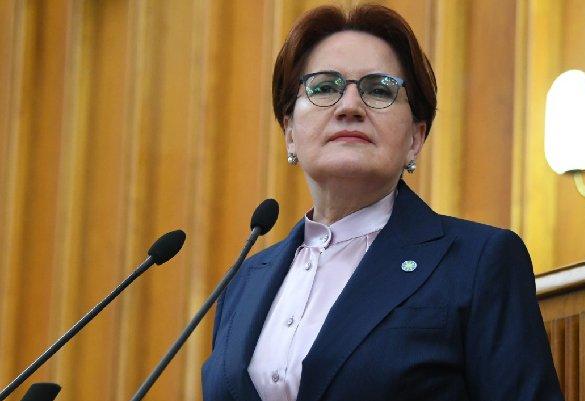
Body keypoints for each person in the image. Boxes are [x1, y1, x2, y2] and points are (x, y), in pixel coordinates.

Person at [202, 4, 564, 401]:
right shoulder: (243, 282)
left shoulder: (478, 263)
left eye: (379, 90)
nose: (349, 107)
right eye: (324, 88)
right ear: (290, 133)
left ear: (415, 139)